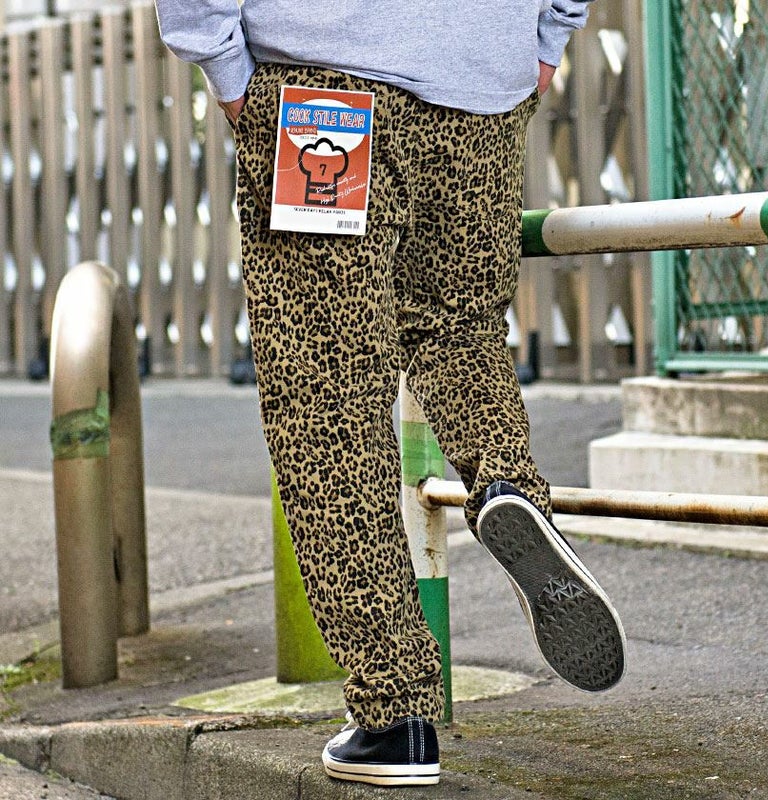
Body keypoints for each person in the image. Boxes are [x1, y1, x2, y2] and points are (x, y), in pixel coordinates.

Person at [154, 0, 625, 787]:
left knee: (329, 400)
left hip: (322, 88)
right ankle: (506, 480)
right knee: (459, 326)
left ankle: (395, 711)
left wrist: (227, 71)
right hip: (482, 88)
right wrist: (545, 33)